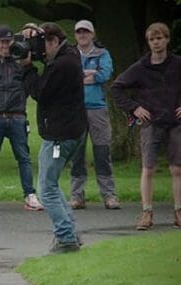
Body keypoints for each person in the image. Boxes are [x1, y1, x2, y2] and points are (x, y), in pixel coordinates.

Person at [21, 22, 87, 253]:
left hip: (61, 133)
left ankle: (66, 238)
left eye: (45, 43)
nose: (42, 49)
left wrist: (27, 68)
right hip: (68, 130)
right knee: (50, 184)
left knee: (46, 190)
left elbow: (40, 92)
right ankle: (69, 232)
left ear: (55, 42)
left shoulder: (62, 64)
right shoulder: (69, 56)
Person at [110, 22, 181, 230]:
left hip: (175, 122)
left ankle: (178, 211)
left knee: (177, 168)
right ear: (148, 43)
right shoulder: (141, 68)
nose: (156, 43)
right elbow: (116, 88)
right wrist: (134, 108)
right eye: (152, 39)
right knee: (148, 168)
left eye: (160, 38)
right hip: (151, 123)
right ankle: (147, 212)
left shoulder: (177, 64)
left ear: (167, 40)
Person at [0, 24, 44, 211]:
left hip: (17, 115)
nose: (5, 46)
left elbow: (30, 82)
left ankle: (30, 194)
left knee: (23, 157)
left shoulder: (21, 61)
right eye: (1, 42)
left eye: (8, 41)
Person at [69, 19, 120, 210]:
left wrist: (91, 76)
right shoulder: (71, 54)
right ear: (75, 35)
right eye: (79, 32)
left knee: (102, 151)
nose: (82, 35)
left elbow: (105, 73)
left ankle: (109, 195)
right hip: (76, 109)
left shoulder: (102, 53)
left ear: (92, 34)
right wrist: (87, 74)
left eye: (86, 32)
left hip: (97, 108)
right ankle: (77, 195)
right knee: (77, 153)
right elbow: (69, 75)